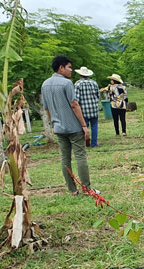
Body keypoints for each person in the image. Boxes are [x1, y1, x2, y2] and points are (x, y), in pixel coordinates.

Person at [41, 55, 93, 195]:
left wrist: (53, 124)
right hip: (73, 127)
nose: (71, 70)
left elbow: (46, 108)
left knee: (65, 158)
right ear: (61, 67)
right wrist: (83, 125)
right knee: (80, 156)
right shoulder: (67, 83)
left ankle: (72, 190)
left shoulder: (45, 84)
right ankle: (87, 189)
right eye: (69, 67)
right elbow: (74, 104)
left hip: (58, 128)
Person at [74, 66, 101, 148]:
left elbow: (76, 99)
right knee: (94, 126)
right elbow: (98, 96)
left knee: (84, 126)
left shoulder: (77, 84)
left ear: (80, 75)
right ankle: (94, 143)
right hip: (94, 109)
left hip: (83, 110)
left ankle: (85, 141)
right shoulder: (94, 83)